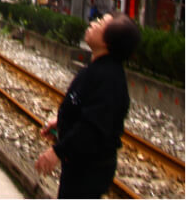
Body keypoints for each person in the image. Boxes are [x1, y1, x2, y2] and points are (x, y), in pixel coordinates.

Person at [35, 12, 141, 198]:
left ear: (108, 41)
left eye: (100, 23)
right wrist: (61, 121)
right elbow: (84, 107)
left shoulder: (109, 79)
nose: (93, 23)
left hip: (89, 169)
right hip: (78, 164)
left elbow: (92, 127)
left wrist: (57, 152)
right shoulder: (99, 69)